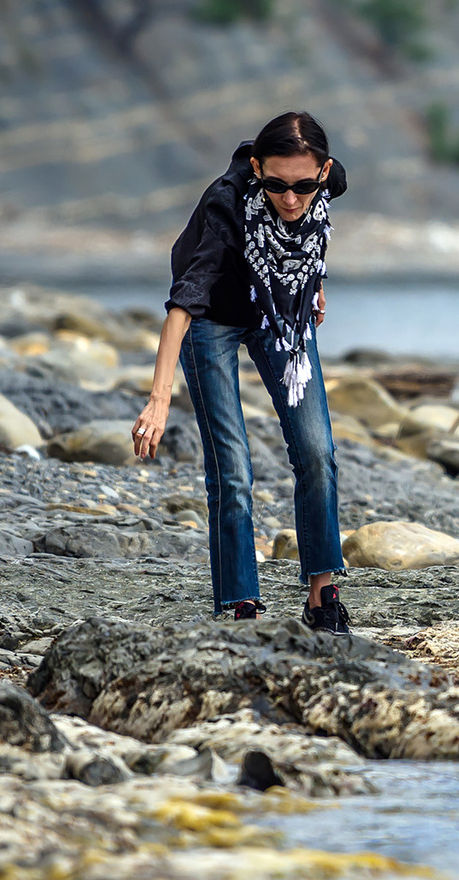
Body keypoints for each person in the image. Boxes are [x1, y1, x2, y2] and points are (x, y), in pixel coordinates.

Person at [132, 111, 352, 633]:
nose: (291, 199)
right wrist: (159, 400)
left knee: (317, 451)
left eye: (303, 186)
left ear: (324, 173)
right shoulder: (225, 205)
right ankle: (241, 605)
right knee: (232, 469)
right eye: (276, 185)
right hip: (211, 316)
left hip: (278, 308)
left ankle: (322, 596)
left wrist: (313, 283)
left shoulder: (327, 181)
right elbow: (182, 306)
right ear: (256, 168)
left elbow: (311, 235)